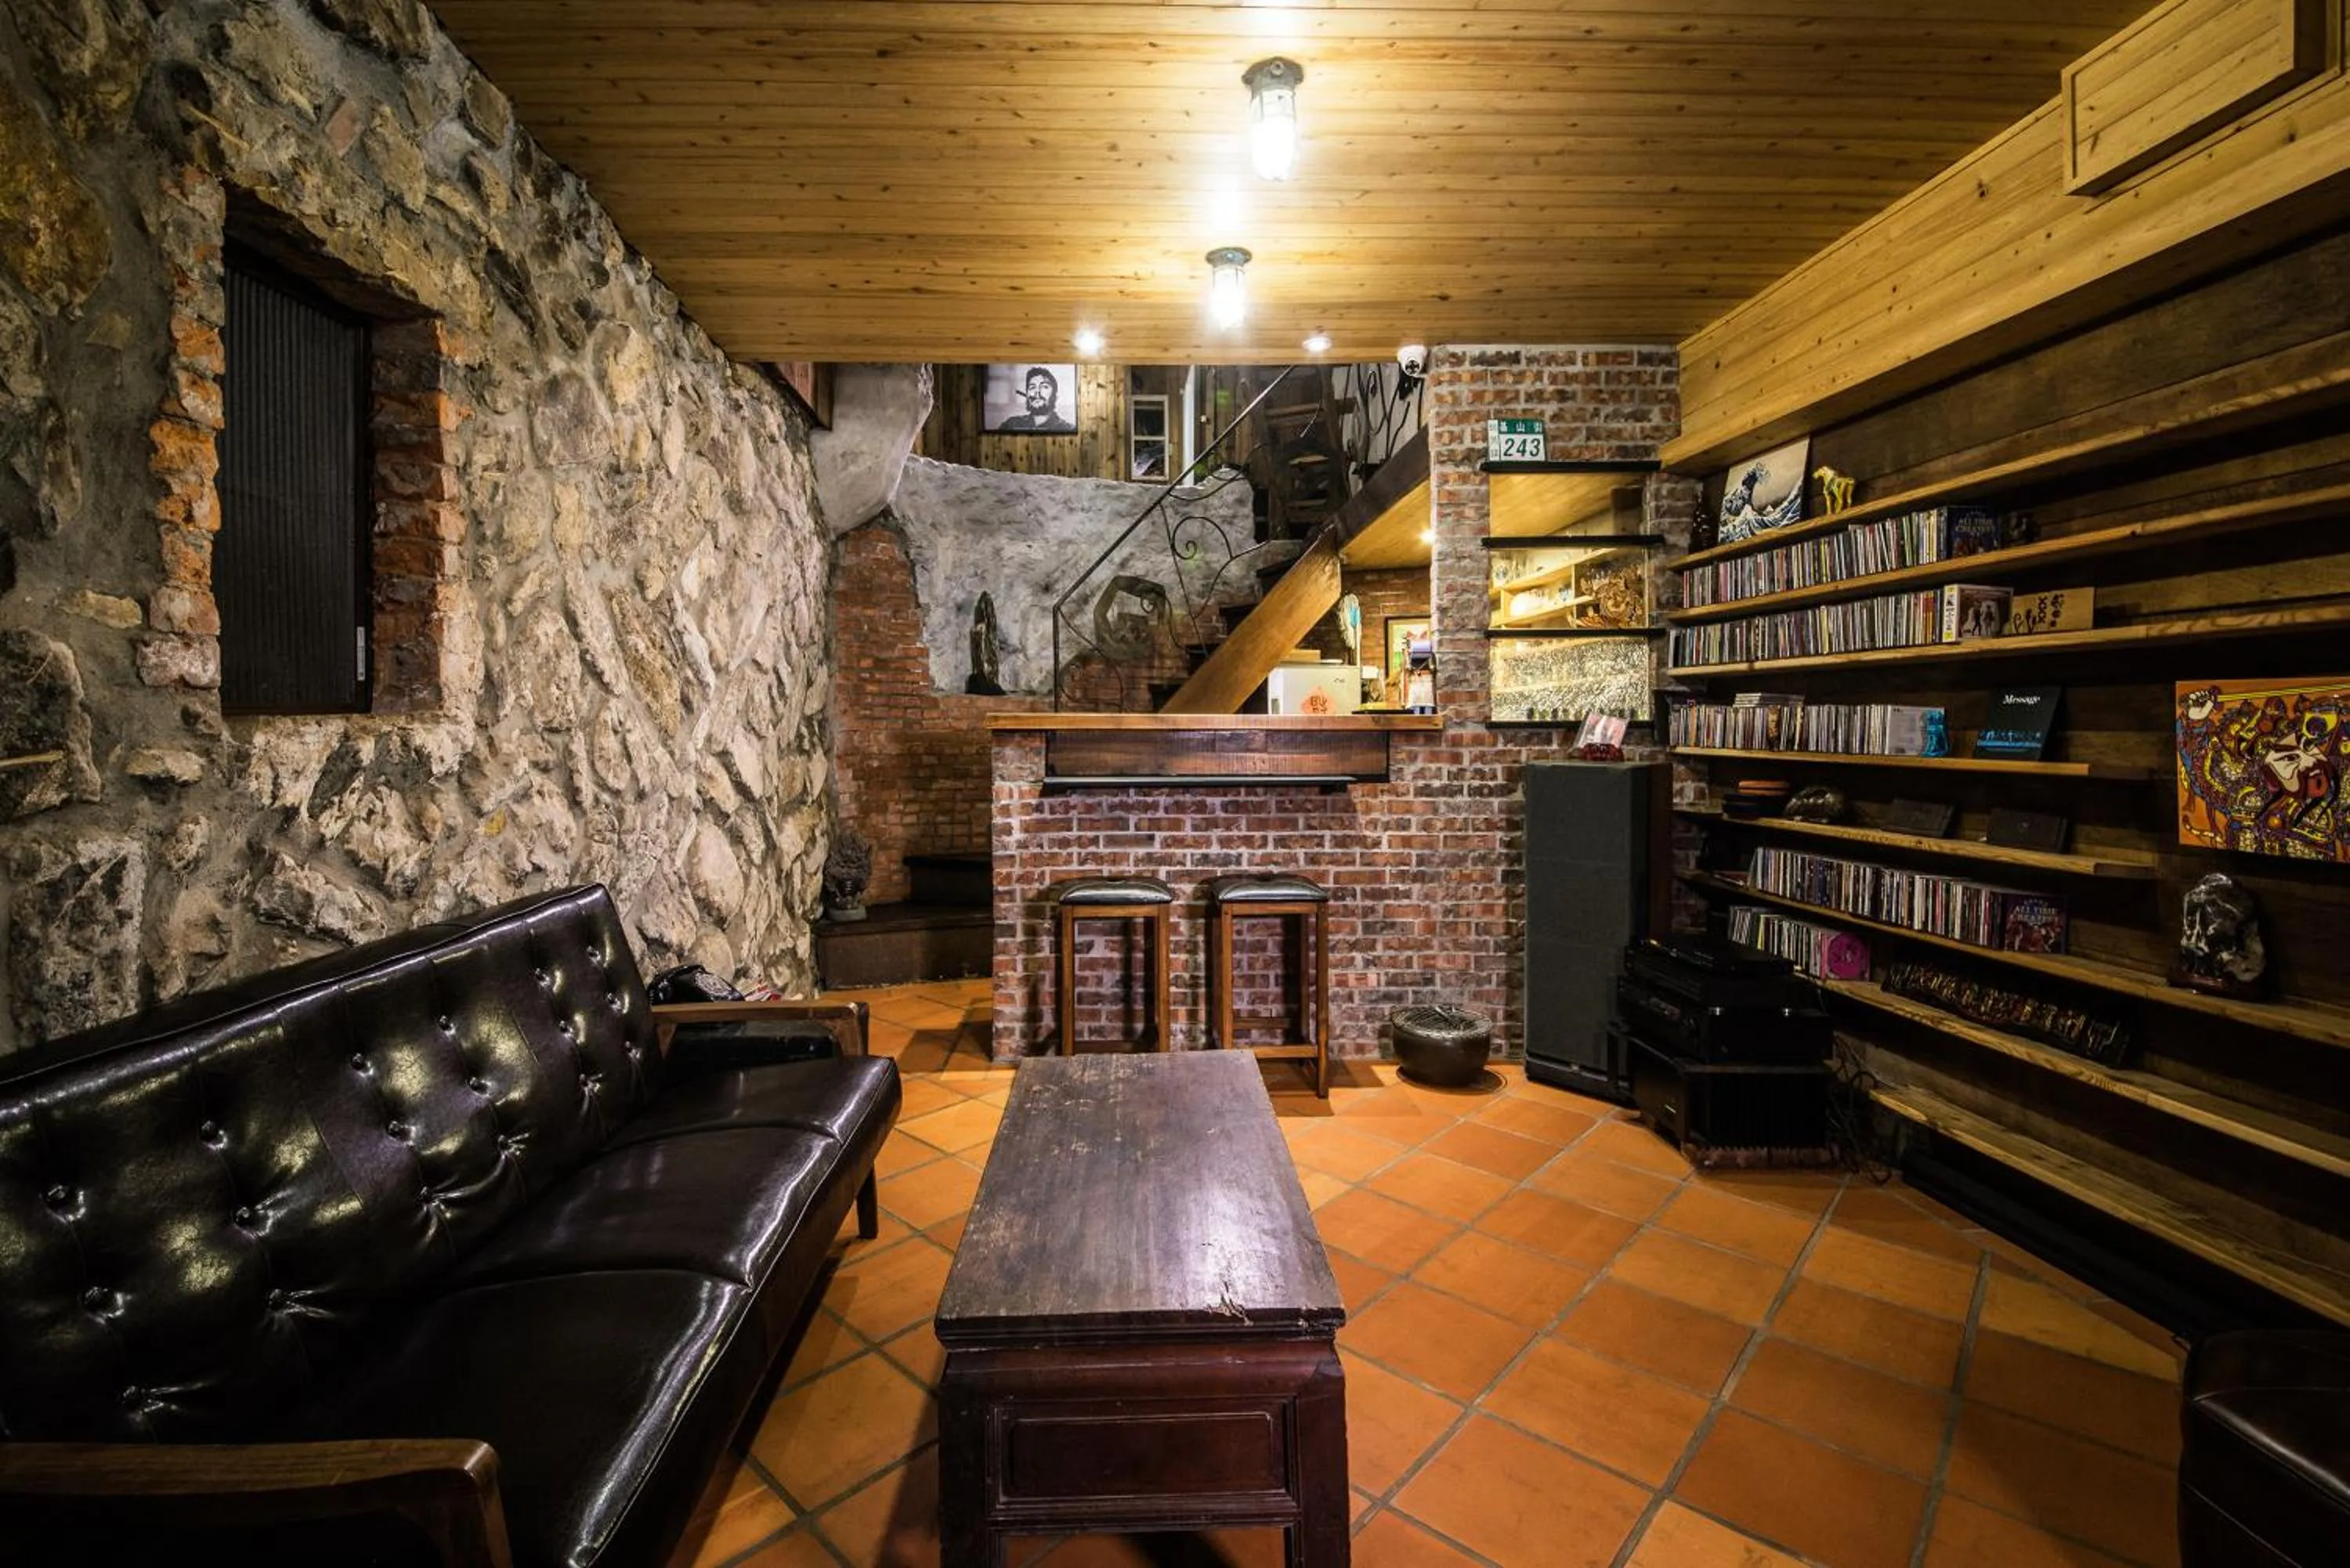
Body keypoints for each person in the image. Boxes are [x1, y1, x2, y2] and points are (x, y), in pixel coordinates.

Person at [998, 366, 1074, 432]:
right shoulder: (1011, 425)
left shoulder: (1068, 429)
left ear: (1055, 396)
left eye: (1044, 387)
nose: (1037, 392)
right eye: (1032, 387)